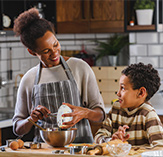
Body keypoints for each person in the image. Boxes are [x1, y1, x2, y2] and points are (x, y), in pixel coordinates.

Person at [12, 8, 105, 143]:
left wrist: (84, 112)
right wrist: (31, 119)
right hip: (45, 151)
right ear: (32, 52)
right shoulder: (29, 79)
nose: (54, 53)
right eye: (46, 51)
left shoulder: (79, 67)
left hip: (80, 150)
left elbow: (101, 115)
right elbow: (18, 129)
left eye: (56, 44)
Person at [94, 62, 163, 148]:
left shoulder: (148, 115)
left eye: (123, 88)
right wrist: (111, 140)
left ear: (141, 92)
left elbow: (161, 147)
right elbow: (98, 136)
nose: (118, 93)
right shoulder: (116, 109)